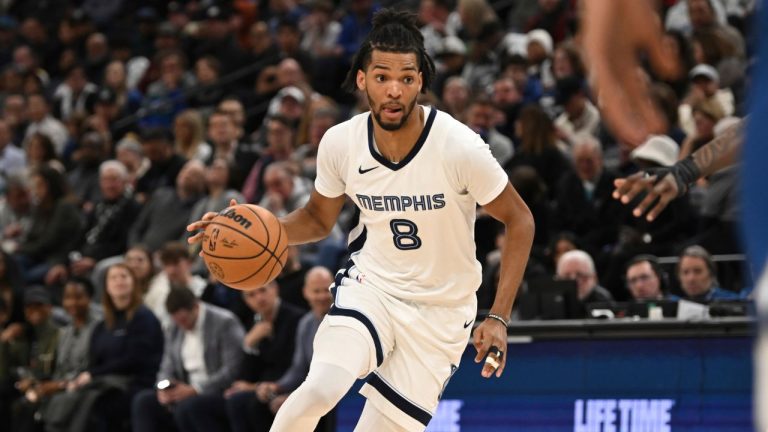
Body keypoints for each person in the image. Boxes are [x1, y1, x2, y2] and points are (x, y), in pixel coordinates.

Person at [188, 9, 534, 431]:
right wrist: (244, 229)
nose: (394, 90)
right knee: (319, 389)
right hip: (372, 288)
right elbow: (317, 217)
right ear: (362, 79)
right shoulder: (340, 142)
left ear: (420, 83)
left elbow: (520, 219)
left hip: (441, 311)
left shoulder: (459, 146)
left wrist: (498, 316)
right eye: (382, 77)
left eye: (406, 79)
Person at [230, 267, 335, 432]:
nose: (322, 296)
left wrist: (294, 398)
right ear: (305, 293)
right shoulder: (306, 323)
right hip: (311, 389)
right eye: (316, 291)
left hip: (333, 392)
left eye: (326, 290)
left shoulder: (343, 320)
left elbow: (330, 375)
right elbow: (299, 368)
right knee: (245, 402)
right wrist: (276, 387)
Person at [63, 263, 163, 431]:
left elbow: (135, 359)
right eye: (113, 278)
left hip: (138, 382)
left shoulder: (144, 317)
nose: (119, 281)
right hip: (107, 383)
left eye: (124, 276)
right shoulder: (103, 325)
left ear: (133, 282)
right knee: (74, 399)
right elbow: (94, 360)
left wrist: (93, 374)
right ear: (106, 286)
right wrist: (83, 377)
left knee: (98, 404)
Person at [131, 286, 244, 432]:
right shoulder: (174, 327)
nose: (181, 325)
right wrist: (163, 388)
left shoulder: (224, 322)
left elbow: (232, 369)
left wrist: (196, 389)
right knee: (144, 401)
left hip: (217, 391)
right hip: (184, 390)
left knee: (189, 407)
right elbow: (167, 365)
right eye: (177, 321)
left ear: (196, 307)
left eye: (184, 320)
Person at [556, 249, 614, 314]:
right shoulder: (550, 301)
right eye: (566, 276)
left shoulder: (603, 301)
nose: (574, 281)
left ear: (594, 278)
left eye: (580, 275)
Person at [676, 245, 741, 302]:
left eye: (697, 271)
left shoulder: (734, 301)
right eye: (685, 272)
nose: (691, 279)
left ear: (711, 273)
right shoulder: (674, 305)